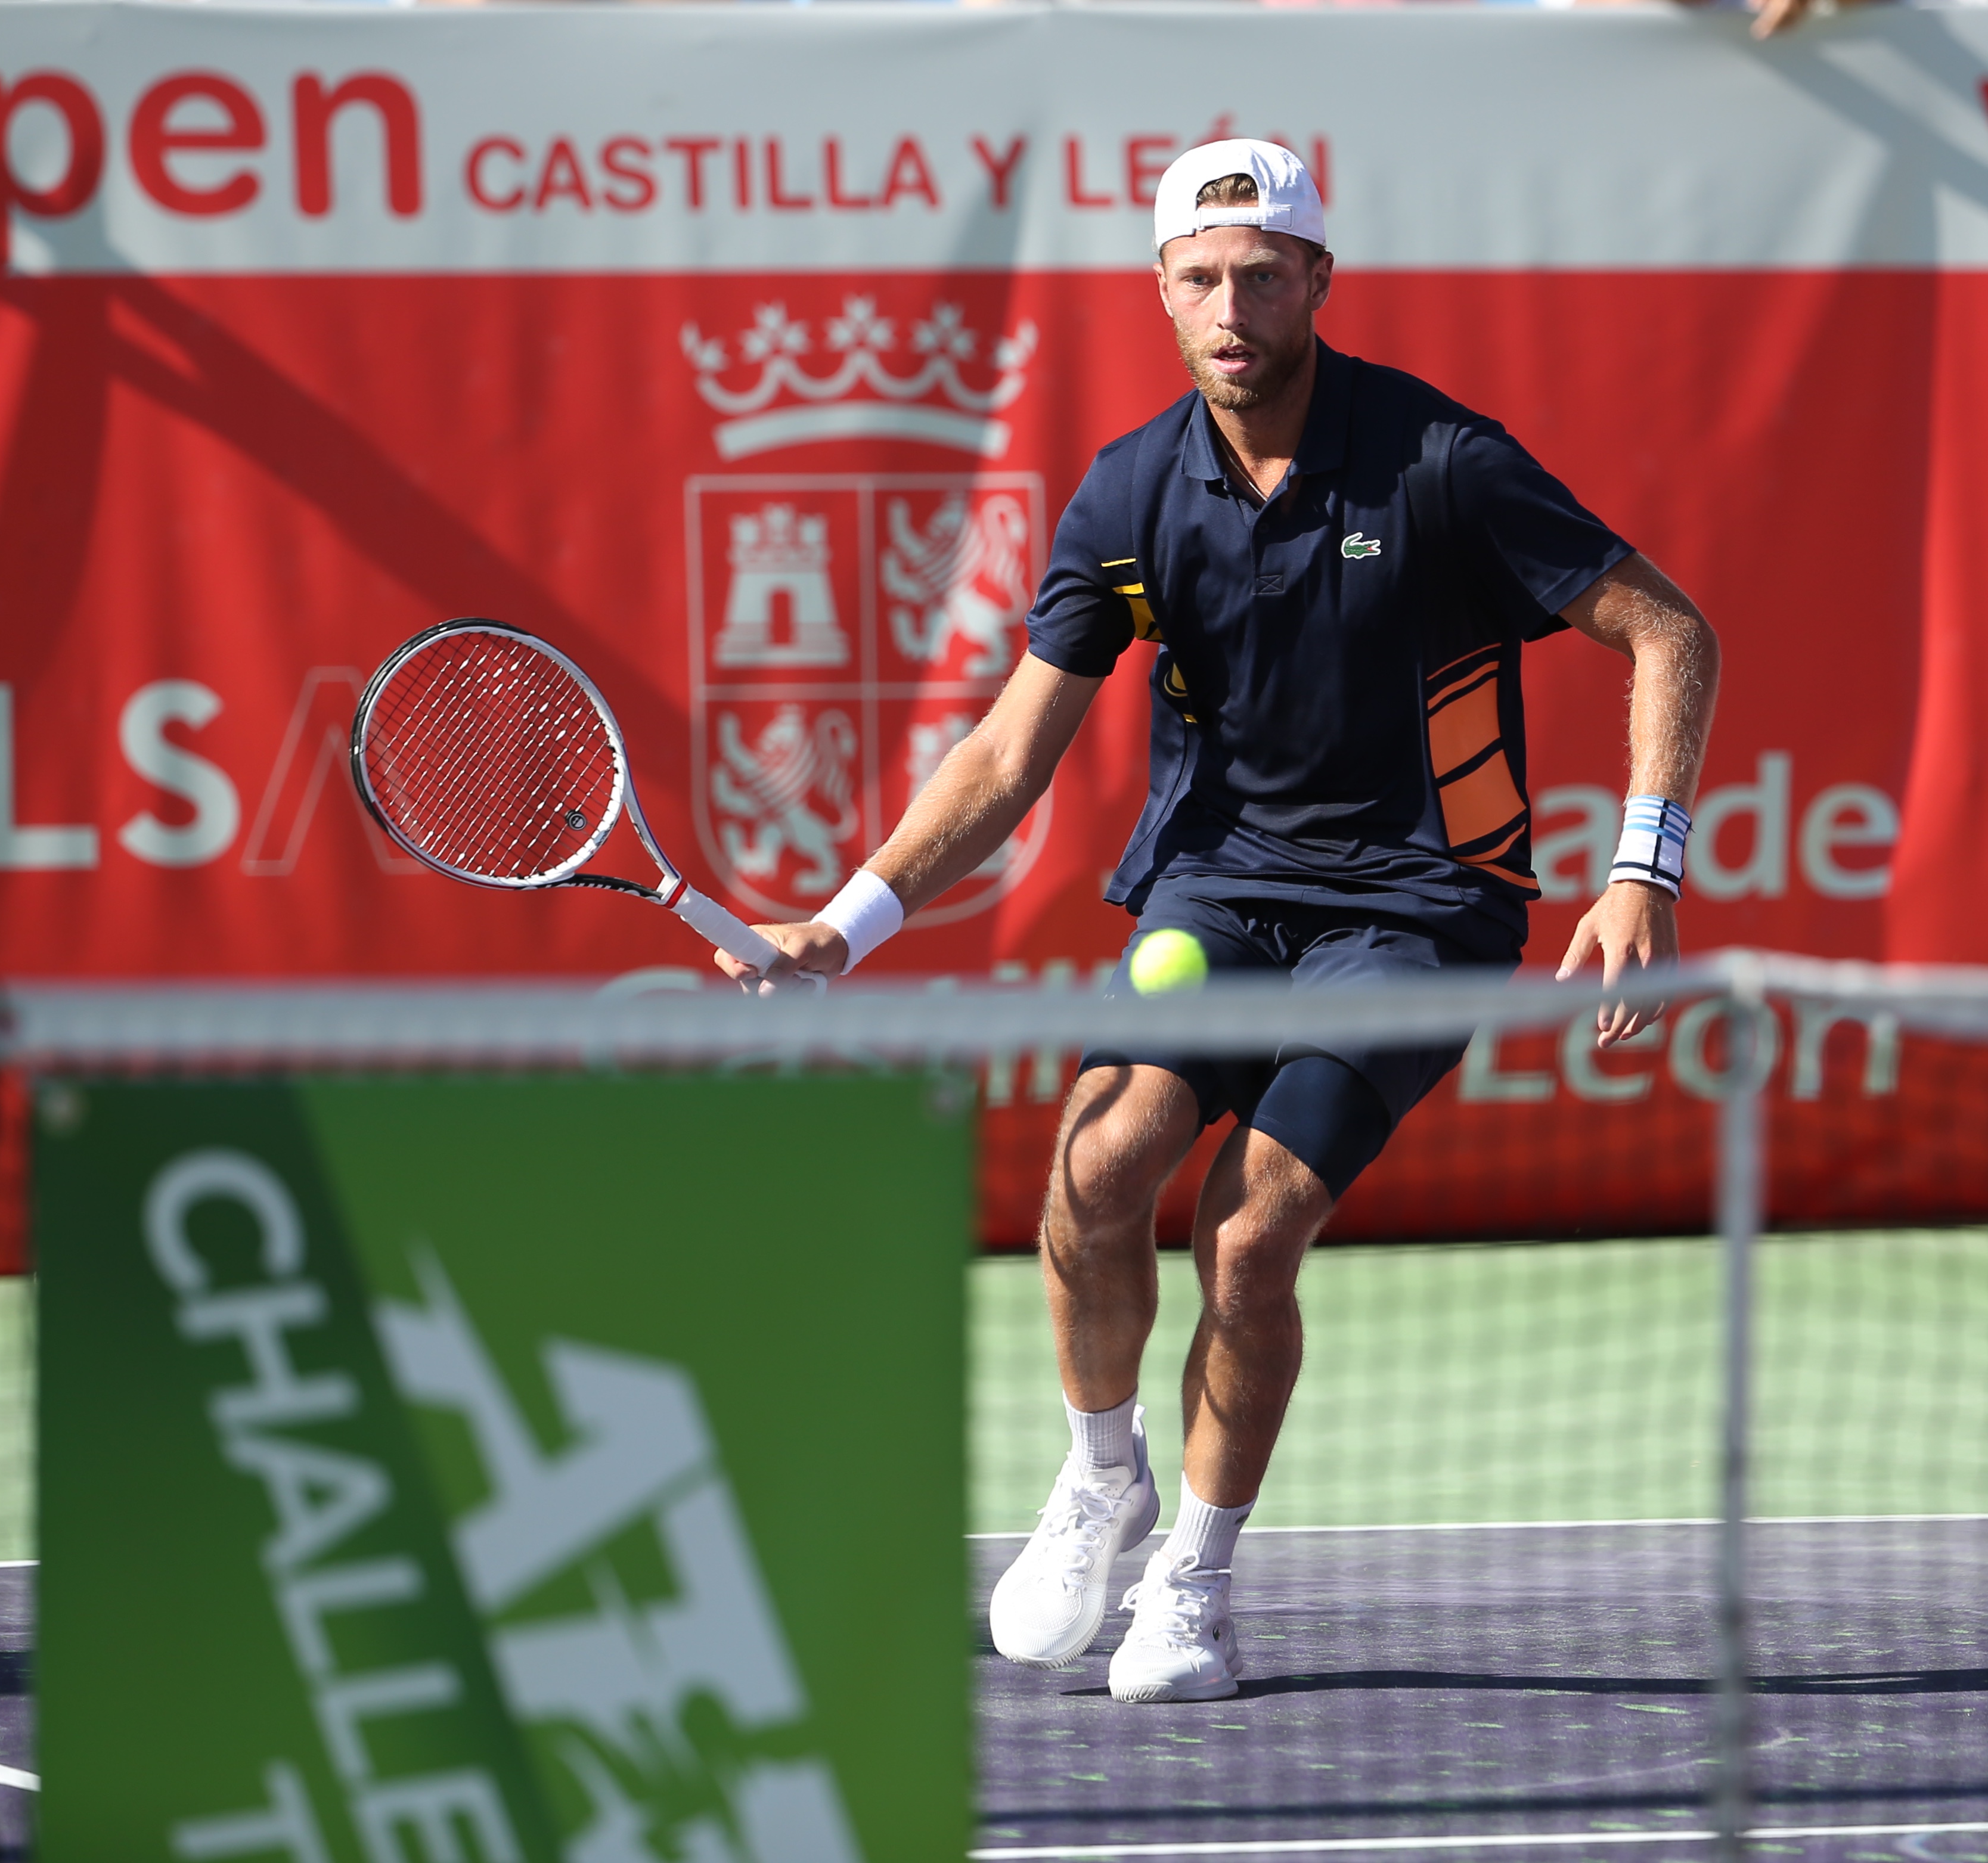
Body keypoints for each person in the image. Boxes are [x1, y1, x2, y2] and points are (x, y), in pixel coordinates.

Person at [714, 138, 1719, 1704]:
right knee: (1095, 1166)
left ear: (1318, 280)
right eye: (1203, 275)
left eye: (1264, 272)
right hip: (1219, 890)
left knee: (1248, 1237)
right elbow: (1008, 752)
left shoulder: (1442, 461)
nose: (1233, 303)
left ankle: (1194, 1577)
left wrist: (1642, 867)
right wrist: (841, 928)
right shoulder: (1128, 494)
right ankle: (1102, 1472)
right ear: (1161, 293)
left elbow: (1666, 628)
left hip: (1417, 907)